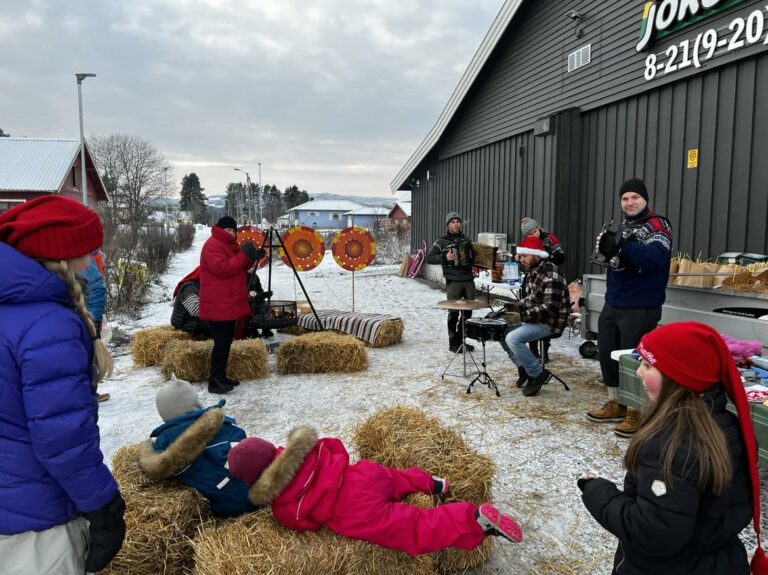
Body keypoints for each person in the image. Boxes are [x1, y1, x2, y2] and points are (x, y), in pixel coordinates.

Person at [578, 322, 767, 575]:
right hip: (721, 561)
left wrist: (598, 492)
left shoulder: (670, 443)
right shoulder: (729, 426)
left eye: (647, 365)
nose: (638, 373)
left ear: (677, 375)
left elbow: (655, 533)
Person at [0, 195, 125, 574]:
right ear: (61, 256)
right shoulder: (48, 325)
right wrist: (104, 505)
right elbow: (62, 435)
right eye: (85, 252)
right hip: (35, 528)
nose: (90, 262)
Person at [226, 427, 523, 556]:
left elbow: (307, 524)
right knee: (398, 480)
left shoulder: (284, 506)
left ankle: (472, 519)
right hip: (364, 475)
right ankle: (432, 483)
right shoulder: (304, 451)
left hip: (356, 511)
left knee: (416, 528)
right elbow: (334, 445)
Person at [587, 178, 672, 437]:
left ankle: (637, 410)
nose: (630, 202)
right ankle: (617, 402)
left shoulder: (658, 225)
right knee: (608, 353)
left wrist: (623, 245)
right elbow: (615, 260)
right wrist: (606, 249)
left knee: (634, 360)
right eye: (625, 198)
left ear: (645, 199)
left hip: (642, 304)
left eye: (635, 197)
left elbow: (655, 259)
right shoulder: (623, 226)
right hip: (615, 300)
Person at [138, 377, 257, 516]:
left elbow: (157, 467)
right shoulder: (226, 426)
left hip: (228, 506)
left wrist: (145, 448)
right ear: (196, 403)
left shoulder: (165, 441)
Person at [199, 216, 264, 394]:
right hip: (218, 303)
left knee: (226, 341)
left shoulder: (226, 245)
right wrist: (244, 255)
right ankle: (214, 381)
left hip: (225, 302)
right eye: (228, 230)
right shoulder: (214, 245)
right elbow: (224, 269)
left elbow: (237, 268)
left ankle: (220, 377)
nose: (231, 233)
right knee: (221, 343)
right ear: (220, 229)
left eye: (233, 230)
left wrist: (251, 258)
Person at [497, 236, 569, 397]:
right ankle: (524, 367)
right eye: (520, 256)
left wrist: (521, 316)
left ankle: (537, 374)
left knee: (513, 339)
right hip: (536, 318)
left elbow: (550, 307)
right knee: (501, 330)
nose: (521, 260)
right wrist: (515, 306)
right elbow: (532, 299)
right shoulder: (533, 271)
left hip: (550, 322)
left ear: (537, 255)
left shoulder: (551, 273)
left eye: (525, 256)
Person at [426, 212, 476, 353]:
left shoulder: (466, 239)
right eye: (453, 222)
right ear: (448, 225)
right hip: (454, 281)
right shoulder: (442, 241)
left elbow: (474, 256)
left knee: (468, 313)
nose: (456, 224)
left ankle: (462, 341)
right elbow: (429, 258)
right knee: (453, 312)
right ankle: (452, 342)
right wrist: (444, 256)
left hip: (468, 279)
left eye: (457, 221)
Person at [520, 217, 565, 363]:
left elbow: (560, 256)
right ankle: (533, 350)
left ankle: (544, 351)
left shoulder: (550, 239)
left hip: (548, 277)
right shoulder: (529, 243)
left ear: (538, 228)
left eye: (534, 232)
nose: (533, 235)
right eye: (529, 234)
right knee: (531, 309)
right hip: (533, 278)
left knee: (545, 312)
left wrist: (543, 259)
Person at [81, 249, 112, 402]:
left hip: (87, 316)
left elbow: (96, 288)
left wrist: (93, 320)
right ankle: (87, 392)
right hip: (84, 317)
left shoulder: (85, 257)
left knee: (88, 355)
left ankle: (89, 392)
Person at [170, 265, 211, 337]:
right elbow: (196, 310)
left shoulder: (202, 287)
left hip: (192, 321)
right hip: (184, 325)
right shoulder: (190, 287)